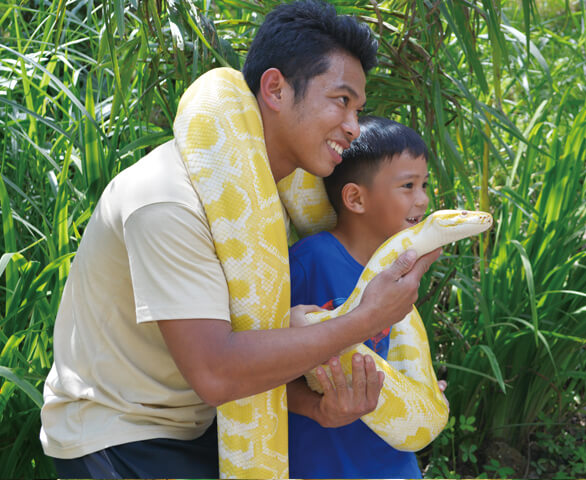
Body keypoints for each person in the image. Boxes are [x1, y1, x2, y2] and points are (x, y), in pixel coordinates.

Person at [39, 2, 440, 478]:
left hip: (197, 422)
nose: (353, 128)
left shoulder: (266, 196)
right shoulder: (169, 200)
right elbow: (216, 371)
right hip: (120, 435)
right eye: (340, 101)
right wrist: (366, 318)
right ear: (274, 88)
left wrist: (316, 409)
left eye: (358, 109)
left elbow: (242, 358)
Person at [287, 116, 440, 479]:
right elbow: (261, 369)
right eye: (408, 185)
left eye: (424, 184)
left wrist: (423, 395)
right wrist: (316, 407)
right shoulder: (312, 261)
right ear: (355, 197)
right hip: (324, 465)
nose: (423, 199)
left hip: (394, 467)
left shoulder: (397, 271)